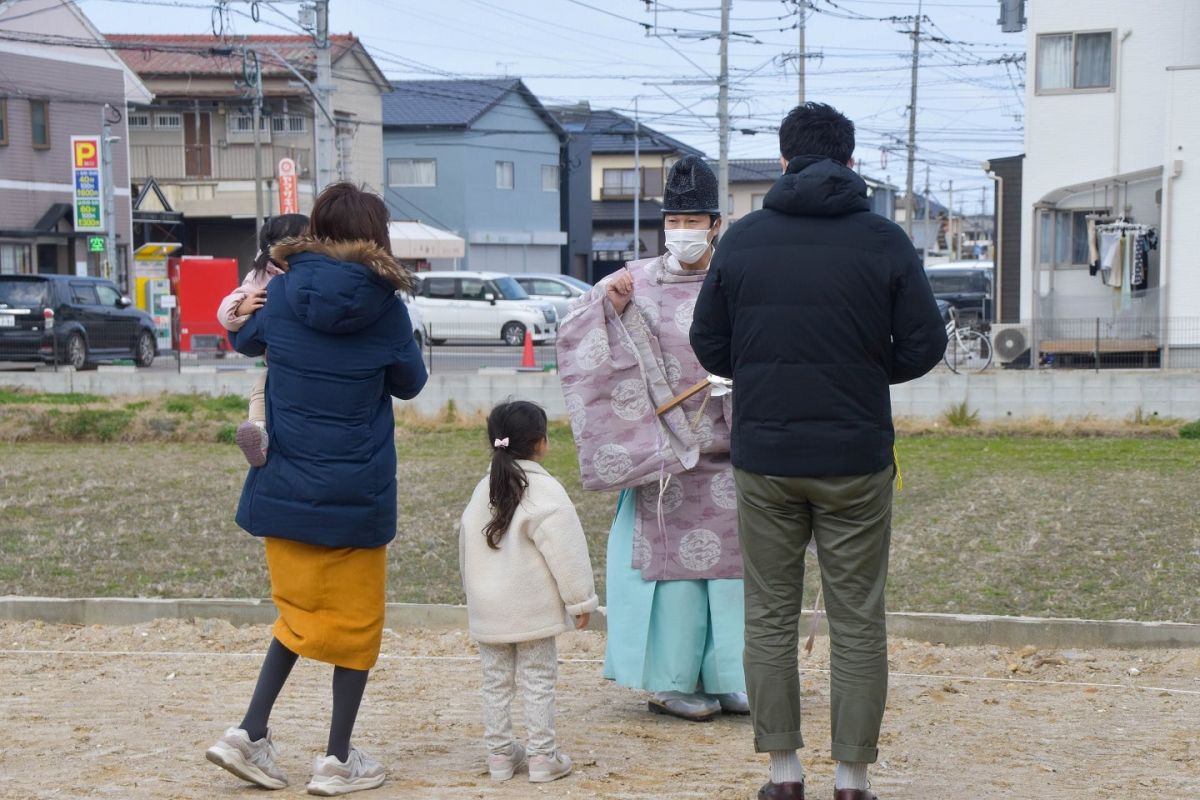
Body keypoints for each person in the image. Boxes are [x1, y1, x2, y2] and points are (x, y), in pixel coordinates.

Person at [690, 103, 947, 800]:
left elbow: (708, 344)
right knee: (858, 614)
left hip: (766, 454)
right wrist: (864, 370)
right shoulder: (884, 240)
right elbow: (926, 343)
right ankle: (852, 776)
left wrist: (767, 368)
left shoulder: (742, 241)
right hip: (857, 455)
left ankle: (782, 772)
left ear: (781, 162)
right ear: (850, 161)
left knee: (770, 612)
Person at [205, 183, 427, 796]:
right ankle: (336, 759)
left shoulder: (284, 291)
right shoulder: (385, 306)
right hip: (357, 494)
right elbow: (411, 383)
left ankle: (248, 733)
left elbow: (244, 338)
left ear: (317, 230)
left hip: (284, 486)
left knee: (296, 615)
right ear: (375, 238)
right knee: (356, 627)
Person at [556, 155, 749, 723]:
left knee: (733, 572)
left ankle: (730, 677)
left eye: (695, 219)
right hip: (664, 455)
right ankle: (669, 682)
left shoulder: (738, 278)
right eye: (676, 218)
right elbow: (575, 335)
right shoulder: (630, 282)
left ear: (716, 223)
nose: (684, 229)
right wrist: (606, 311)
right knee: (674, 579)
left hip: (733, 448)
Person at [459, 400, 599, 784]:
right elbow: (566, 551)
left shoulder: (481, 490)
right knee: (538, 680)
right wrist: (580, 600)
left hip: (489, 610)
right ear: (540, 443)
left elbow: (464, 548)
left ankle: (500, 756)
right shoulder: (546, 491)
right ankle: (541, 756)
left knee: (495, 682)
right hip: (532, 611)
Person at [215, 213, 309, 467]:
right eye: (302, 238)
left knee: (265, 385)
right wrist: (241, 308)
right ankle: (257, 432)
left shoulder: (310, 269)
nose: (308, 243)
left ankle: (259, 431)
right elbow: (224, 311)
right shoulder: (260, 276)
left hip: (294, 357)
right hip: (279, 358)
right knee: (261, 387)